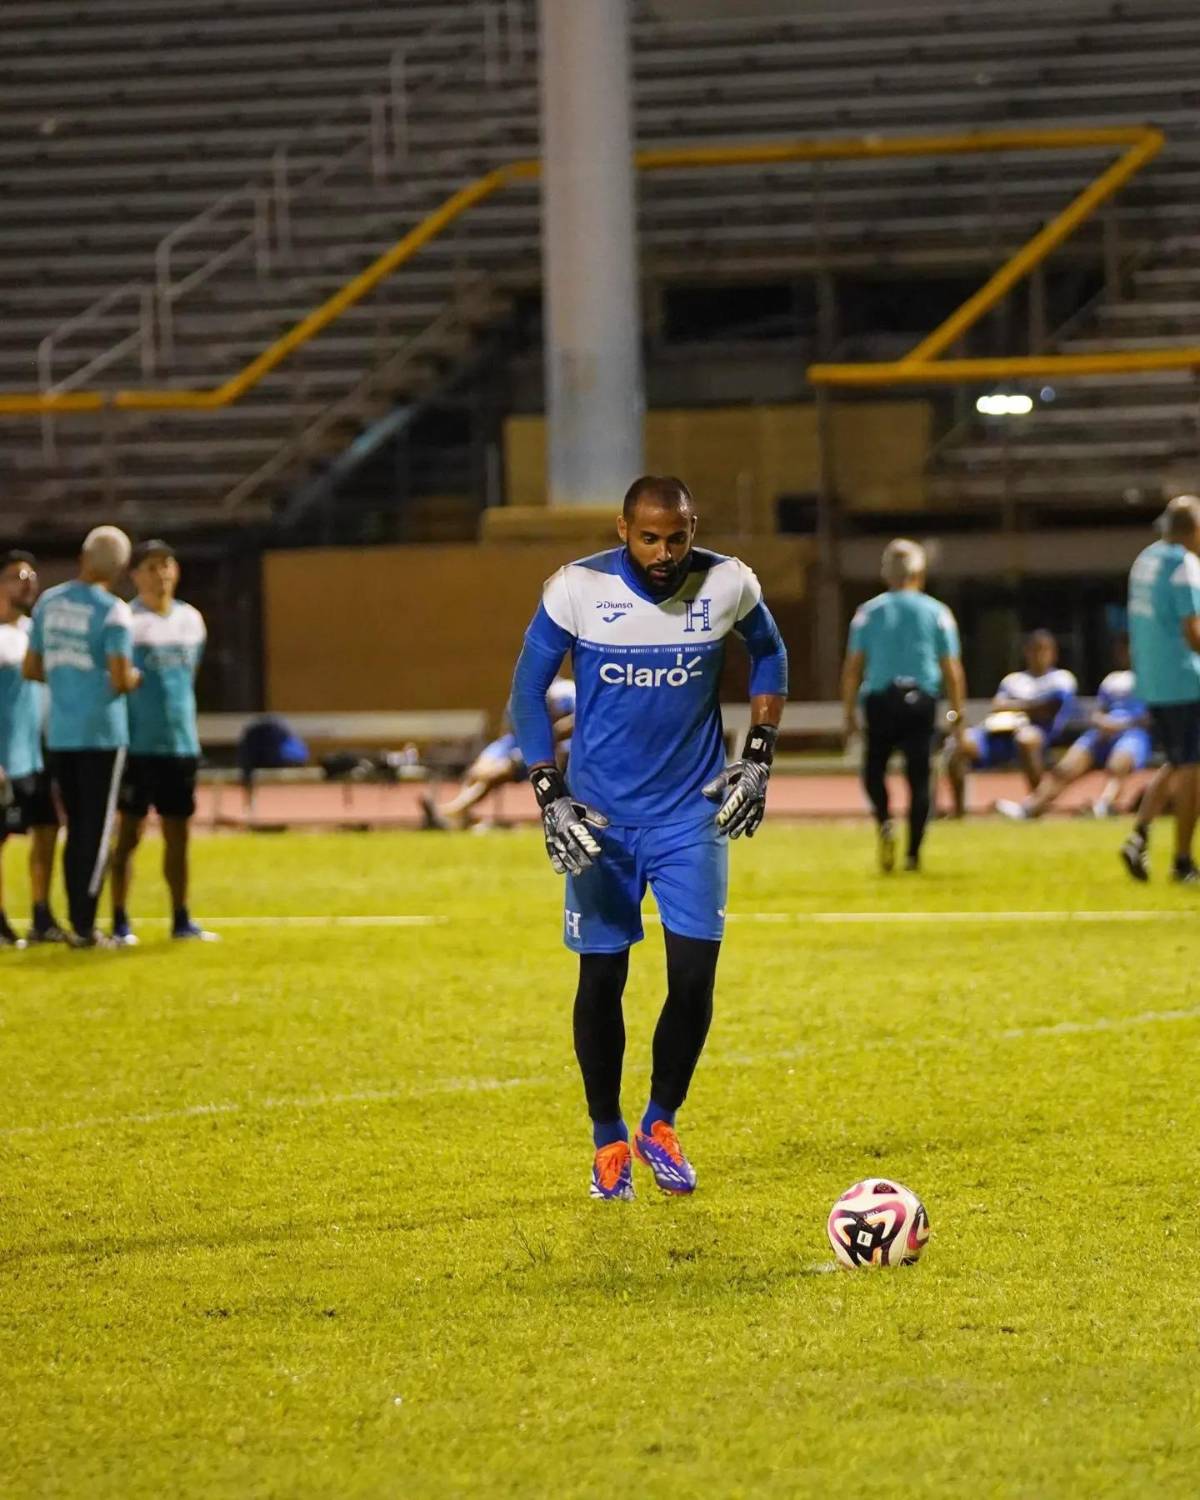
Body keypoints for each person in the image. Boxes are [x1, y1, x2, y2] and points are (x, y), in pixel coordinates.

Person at [510, 475, 788, 1202]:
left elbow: (770, 654)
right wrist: (549, 792)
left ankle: (659, 1123)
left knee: (694, 977)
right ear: (623, 530)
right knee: (602, 979)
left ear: (695, 528)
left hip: (691, 815)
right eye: (649, 538)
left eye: (678, 537)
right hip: (600, 821)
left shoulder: (728, 582)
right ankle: (607, 1138)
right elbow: (525, 691)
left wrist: (758, 756)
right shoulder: (576, 589)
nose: (664, 554)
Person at [24, 526, 140, 947]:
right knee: (96, 829)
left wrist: (67, 682)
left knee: (74, 826)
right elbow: (120, 677)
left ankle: (74, 919)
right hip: (101, 733)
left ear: (83, 557)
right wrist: (135, 677)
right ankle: (86, 925)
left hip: (60, 731)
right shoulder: (114, 611)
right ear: (120, 569)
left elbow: (32, 668)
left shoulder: (49, 602)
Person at [109, 540, 215, 944]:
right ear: (135, 575)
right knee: (129, 835)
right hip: (137, 745)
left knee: (178, 835)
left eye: (166, 565)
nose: (161, 574)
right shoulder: (127, 620)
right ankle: (120, 919)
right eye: (151, 567)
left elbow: (188, 677)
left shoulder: (191, 620)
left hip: (180, 744)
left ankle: (181, 918)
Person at [841, 539, 966, 872]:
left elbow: (853, 667)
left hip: (881, 699)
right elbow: (951, 668)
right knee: (920, 776)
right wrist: (956, 712)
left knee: (874, 769)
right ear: (920, 572)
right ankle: (913, 853)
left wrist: (849, 712)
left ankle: (884, 818)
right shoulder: (937, 612)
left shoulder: (868, 612)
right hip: (921, 700)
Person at [1119, 495, 1200, 882]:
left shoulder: (1145, 558)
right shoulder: (1184, 564)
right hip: (1184, 679)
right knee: (1192, 769)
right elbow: (1193, 632)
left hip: (1153, 679)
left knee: (1179, 760)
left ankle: (1139, 835)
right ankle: (1182, 861)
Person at [997, 637, 1151, 821]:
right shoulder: (1111, 680)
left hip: (1133, 732)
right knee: (1065, 768)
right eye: (1121, 649)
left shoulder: (1151, 679)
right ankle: (1029, 809)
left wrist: (1121, 725)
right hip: (1102, 732)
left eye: (1128, 649)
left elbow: (1152, 716)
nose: (1124, 654)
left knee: (1117, 765)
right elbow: (1099, 711)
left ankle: (1104, 806)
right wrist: (1101, 722)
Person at [0, 551, 65, 945]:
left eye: (30, 576)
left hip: (36, 756)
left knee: (47, 828)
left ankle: (42, 916)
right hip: (5, 758)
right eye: (16, 576)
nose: (27, 583)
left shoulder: (33, 631)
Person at [946, 629, 1077, 813]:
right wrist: (1028, 707)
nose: (1038, 655)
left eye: (1043, 649)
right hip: (997, 733)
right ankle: (959, 812)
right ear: (1026, 652)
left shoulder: (1061, 678)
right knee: (957, 743)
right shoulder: (1013, 680)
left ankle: (1037, 806)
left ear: (1054, 654)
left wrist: (1016, 706)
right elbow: (997, 706)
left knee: (1026, 739)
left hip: (1039, 732)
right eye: (1033, 649)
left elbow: (1049, 709)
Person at [419, 679, 575, 830]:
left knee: (493, 775)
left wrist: (554, 732)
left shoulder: (566, 691)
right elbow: (509, 733)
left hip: (550, 750)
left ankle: (450, 812)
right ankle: (458, 815)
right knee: (477, 772)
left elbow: (573, 724)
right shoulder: (520, 694)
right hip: (521, 743)